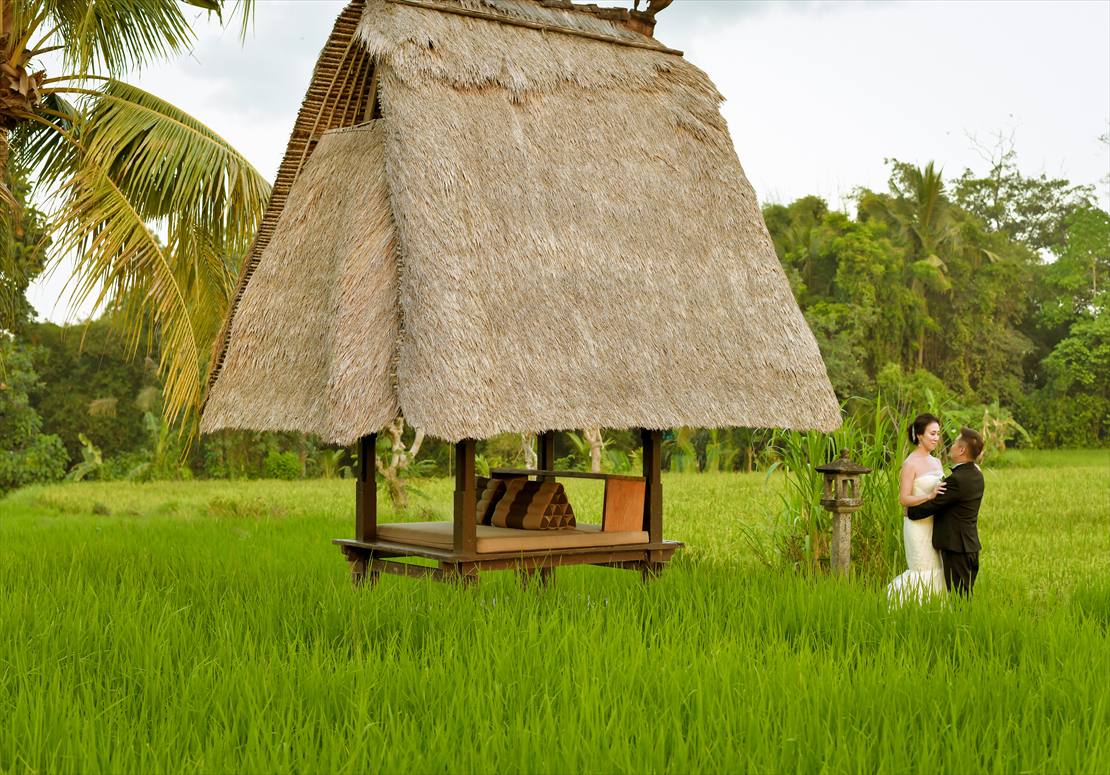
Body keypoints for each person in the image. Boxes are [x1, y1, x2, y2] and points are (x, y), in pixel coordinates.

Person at [907, 427, 985, 596]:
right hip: (970, 546)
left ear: (962, 450)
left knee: (959, 599)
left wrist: (910, 512)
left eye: (956, 442)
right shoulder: (977, 475)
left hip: (956, 548)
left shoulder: (957, 480)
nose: (952, 445)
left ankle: (961, 623)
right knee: (964, 596)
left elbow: (934, 505)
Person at [886, 413, 947, 603]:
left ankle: (934, 609)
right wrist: (929, 496)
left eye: (938, 434)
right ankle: (906, 608)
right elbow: (904, 499)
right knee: (922, 568)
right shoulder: (910, 464)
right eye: (932, 434)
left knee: (937, 567)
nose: (936, 438)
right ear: (920, 435)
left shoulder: (936, 462)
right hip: (917, 526)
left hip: (935, 524)